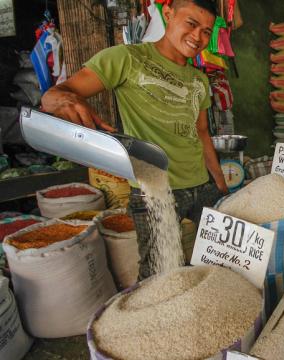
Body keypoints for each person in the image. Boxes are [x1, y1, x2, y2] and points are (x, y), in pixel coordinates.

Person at [41, 0, 229, 279]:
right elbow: (55, 95)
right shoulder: (127, 58)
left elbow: (201, 131)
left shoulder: (199, 80)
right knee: (160, 271)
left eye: (206, 31)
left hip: (202, 182)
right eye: (191, 24)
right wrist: (63, 100)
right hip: (155, 188)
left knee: (222, 256)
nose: (198, 37)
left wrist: (219, 181)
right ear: (168, 14)